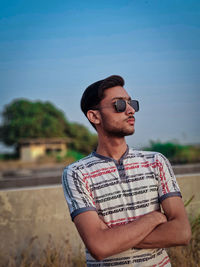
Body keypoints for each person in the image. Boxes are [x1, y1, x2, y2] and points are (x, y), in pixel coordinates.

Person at [62, 75, 191, 266]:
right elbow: (99, 247)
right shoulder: (76, 173)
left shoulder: (156, 161)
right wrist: (155, 218)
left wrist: (112, 238)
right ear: (94, 116)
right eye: (119, 105)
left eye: (131, 103)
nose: (131, 110)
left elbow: (182, 232)